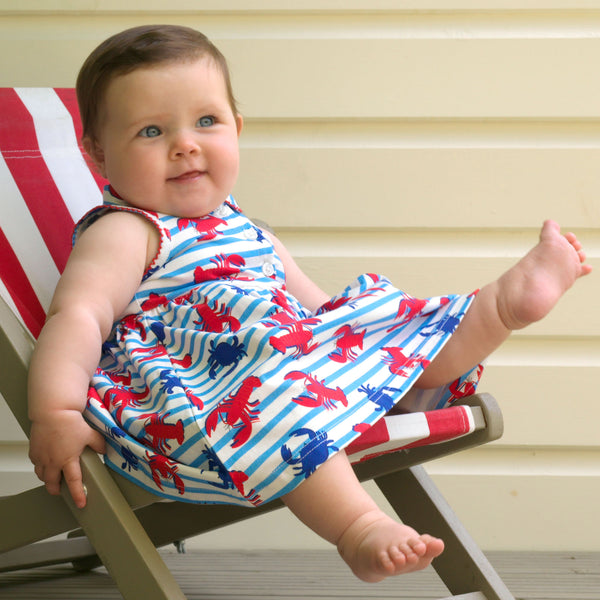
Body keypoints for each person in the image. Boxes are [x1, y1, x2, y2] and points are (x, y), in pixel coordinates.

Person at [27, 24, 591, 584]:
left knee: (373, 328)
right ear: (98, 155)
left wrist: (355, 341)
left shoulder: (243, 226)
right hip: (207, 395)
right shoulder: (127, 231)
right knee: (281, 393)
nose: (185, 144)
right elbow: (78, 317)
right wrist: (55, 413)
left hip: (285, 356)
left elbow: (316, 308)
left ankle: (497, 309)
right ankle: (360, 526)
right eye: (151, 131)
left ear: (237, 129)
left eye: (207, 121)